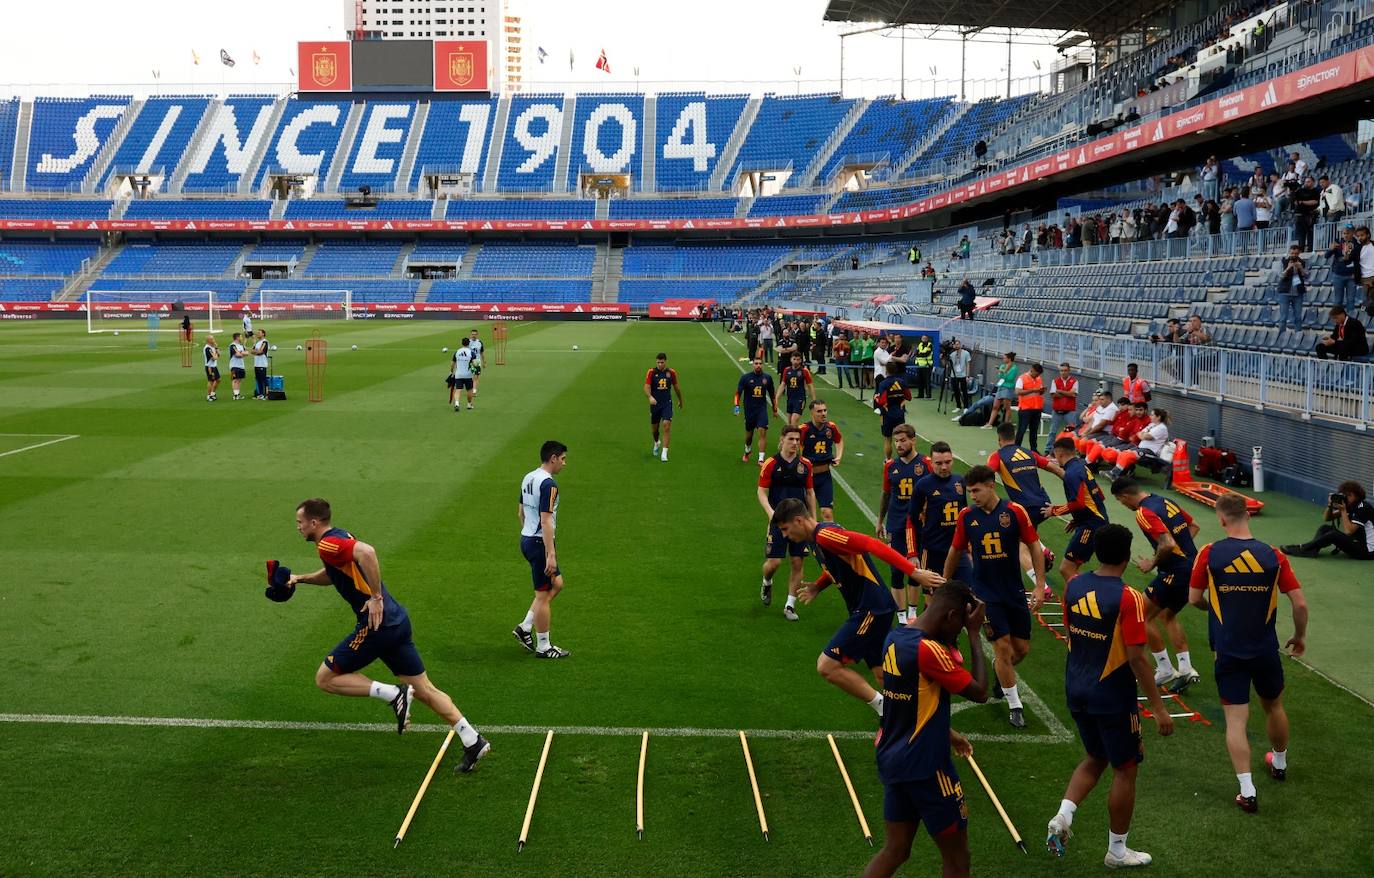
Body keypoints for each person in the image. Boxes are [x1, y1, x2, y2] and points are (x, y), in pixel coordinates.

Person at [282, 498, 490, 771]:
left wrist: (376, 596)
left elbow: (367, 552)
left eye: (300, 523)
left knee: (325, 678)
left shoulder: (327, 543)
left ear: (314, 522)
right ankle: (473, 740)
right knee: (425, 689)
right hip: (396, 622)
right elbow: (335, 573)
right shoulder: (338, 538)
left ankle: (393, 694)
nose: (297, 528)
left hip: (376, 625)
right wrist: (300, 578)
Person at [1045, 524, 1174, 869]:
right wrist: (1159, 708)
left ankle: (1063, 816)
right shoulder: (1128, 596)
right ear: (1128, 556)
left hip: (1076, 686)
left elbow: (1071, 634)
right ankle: (1117, 851)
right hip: (1111, 695)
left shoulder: (1073, 585)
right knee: (1125, 769)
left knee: (1095, 757)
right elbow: (1136, 657)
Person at [861, 581, 989, 878]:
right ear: (951, 615)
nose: (958, 630)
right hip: (928, 768)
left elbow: (907, 703)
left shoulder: (895, 636)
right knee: (958, 859)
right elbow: (980, 691)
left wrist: (948, 732)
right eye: (960, 624)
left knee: (896, 850)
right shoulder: (929, 650)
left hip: (894, 759)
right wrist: (974, 633)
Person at [1189, 493, 1307, 812]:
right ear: (1249, 516)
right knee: (1274, 706)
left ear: (1221, 519)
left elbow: (1193, 597)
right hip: (1265, 649)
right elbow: (1300, 603)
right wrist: (1299, 635)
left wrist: (1215, 606)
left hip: (1228, 650)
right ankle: (1279, 764)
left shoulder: (1210, 553)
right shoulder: (1273, 555)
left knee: (1236, 720)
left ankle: (1248, 790)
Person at [776, 499, 943, 716]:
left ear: (798, 520)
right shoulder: (814, 540)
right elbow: (840, 564)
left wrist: (914, 572)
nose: (785, 536)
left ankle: (884, 707)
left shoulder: (825, 535)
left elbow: (870, 544)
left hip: (870, 610)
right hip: (872, 608)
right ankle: (920, 708)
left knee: (827, 666)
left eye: (785, 529)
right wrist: (818, 585)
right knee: (884, 674)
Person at [946, 464, 1049, 729]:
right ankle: (1015, 705)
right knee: (1002, 648)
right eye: (970, 491)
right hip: (985, 595)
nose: (972, 496)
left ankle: (1000, 671)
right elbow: (955, 551)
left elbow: (1034, 547)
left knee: (1021, 650)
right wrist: (946, 584)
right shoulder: (967, 516)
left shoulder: (1014, 512)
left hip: (1013, 592)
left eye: (976, 490)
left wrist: (1039, 584)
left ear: (991, 485)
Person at [1110, 479, 1202, 690]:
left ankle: (1164, 669)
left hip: (1175, 572)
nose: (1123, 505)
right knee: (1166, 615)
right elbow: (1193, 526)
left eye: (1120, 501)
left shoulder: (1143, 513)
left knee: (1140, 615)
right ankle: (1186, 669)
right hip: (1191, 568)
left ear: (1124, 496)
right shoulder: (1164, 501)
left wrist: (1152, 562)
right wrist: (1180, 554)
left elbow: (1167, 544)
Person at [514, 441, 572, 659]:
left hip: (527, 539)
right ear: (553, 458)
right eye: (563, 459)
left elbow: (520, 512)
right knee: (542, 595)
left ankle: (525, 626)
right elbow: (546, 521)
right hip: (539, 543)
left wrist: (529, 534)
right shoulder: (549, 484)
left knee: (557, 584)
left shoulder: (528, 477)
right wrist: (550, 554)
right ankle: (543, 646)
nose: (564, 464)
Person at [989, 421, 1064, 589]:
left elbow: (986, 475)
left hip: (1025, 509)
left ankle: (1043, 588)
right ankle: (1043, 551)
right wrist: (1071, 480)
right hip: (1044, 505)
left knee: (1018, 546)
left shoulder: (998, 456)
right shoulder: (1028, 453)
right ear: (1014, 437)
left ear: (999, 439)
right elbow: (1053, 468)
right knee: (1025, 537)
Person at [757, 425, 816, 621]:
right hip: (779, 521)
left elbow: (810, 493)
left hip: (800, 523)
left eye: (798, 440)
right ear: (782, 440)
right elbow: (761, 492)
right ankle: (767, 581)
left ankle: (790, 605)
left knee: (797, 561)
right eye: (791, 439)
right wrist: (771, 514)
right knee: (773, 563)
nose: (795, 444)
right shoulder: (771, 464)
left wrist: (813, 520)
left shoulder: (805, 465)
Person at [878, 425, 932, 624]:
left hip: (920, 525)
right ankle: (901, 617)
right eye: (896, 441)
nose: (898, 444)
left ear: (913, 440)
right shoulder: (890, 466)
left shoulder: (926, 464)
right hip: (896, 524)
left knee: (916, 571)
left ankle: (912, 613)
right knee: (896, 571)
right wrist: (880, 520)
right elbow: (886, 494)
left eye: (902, 440)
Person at [1045, 436, 1112, 584]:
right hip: (1095, 521)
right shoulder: (1082, 467)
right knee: (1073, 566)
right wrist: (1078, 519)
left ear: (1059, 454)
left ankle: (1083, 598)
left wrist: (1054, 511)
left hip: (1091, 526)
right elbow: (1098, 496)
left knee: (1066, 568)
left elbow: (1078, 503)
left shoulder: (1071, 474)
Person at [912, 441, 973, 587]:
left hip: (958, 551)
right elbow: (912, 518)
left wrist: (969, 546)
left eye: (947, 462)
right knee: (935, 599)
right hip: (933, 551)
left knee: (970, 592)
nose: (944, 467)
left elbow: (964, 513)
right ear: (931, 462)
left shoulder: (959, 481)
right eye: (939, 463)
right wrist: (914, 551)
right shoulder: (923, 485)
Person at [1282, 481, 1374, 560]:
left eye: (1350, 495)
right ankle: (1312, 550)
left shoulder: (1364, 508)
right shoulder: (1350, 506)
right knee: (1325, 528)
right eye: (1345, 495)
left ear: (1358, 496)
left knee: (1334, 535)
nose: (1347, 498)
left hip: (1367, 551)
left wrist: (1343, 510)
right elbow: (1327, 518)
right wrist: (1330, 505)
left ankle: (1304, 548)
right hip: (1357, 544)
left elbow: (1348, 531)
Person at [799, 399, 843, 522]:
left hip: (825, 476)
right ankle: (807, 540)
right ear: (812, 413)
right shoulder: (804, 429)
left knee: (827, 512)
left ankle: (828, 540)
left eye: (825, 410)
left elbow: (839, 440)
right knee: (806, 514)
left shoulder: (831, 427)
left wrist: (839, 456)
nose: (823, 413)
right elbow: (795, 445)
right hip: (808, 477)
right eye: (819, 411)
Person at [735, 357, 778, 465]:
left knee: (762, 432)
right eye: (756, 363)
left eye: (760, 363)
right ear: (753, 364)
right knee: (749, 436)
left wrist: (774, 409)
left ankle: (761, 459)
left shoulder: (767, 378)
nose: (758, 365)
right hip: (749, 411)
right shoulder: (745, 378)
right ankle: (747, 450)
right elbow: (738, 394)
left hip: (761, 410)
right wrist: (736, 407)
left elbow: (772, 395)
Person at [644, 352, 683, 462]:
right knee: (655, 430)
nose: (660, 364)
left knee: (666, 426)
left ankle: (664, 452)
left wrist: (680, 400)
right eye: (658, 362)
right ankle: (656, 442)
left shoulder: (671, 373)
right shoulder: (651, 372)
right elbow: (646, 387)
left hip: (667, 403)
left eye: (662, 362)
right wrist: (650, 397)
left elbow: (677, 388)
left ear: (665, 362)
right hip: (655, 405)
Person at [875, 360, 912, 461]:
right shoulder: (902, 382)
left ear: (886, 370)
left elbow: (882, 401)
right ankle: (905, 459)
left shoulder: (883, 383)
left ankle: (888, 460)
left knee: (887, 439)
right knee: (902, 438)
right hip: (900, 414)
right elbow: (909, 397)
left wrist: (876, 398)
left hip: (887, 415)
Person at [1045, 363, 1079, 454]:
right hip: (1056, 411)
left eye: (1065, 370)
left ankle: (1074, 450)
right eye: (1061, 370)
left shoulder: (1074, 381)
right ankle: (1048, 450)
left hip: (1070, 411)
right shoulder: (1055, 381)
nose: (1063, 372)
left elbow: (1073, 394)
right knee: (1052, 431)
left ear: (1069, 371)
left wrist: (1060, 391)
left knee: (1072, 432)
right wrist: (1068, 393)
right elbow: (1053, 395)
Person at [1325, 226, 1360, 315]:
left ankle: (1350, 323)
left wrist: (1356, 273)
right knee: (1338, 300)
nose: (1345, 235)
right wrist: (1330, 249)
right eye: (1344, 233)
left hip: (1351, 276)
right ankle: (1338, 323)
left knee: (1351, 300)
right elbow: (1326, 256)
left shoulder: (1357, 245)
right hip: (1338, 275)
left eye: (1348, 233)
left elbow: (1359, 261)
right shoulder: (1337, 244)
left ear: (1352, 233)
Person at [1275, 244, 1307, 334]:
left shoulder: (1302, 262)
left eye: (1296, 253)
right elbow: (1280, 276)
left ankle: (1298, 335)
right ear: (1289, 252)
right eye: (1292, 253)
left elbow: (1307, 275)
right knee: (1283, 317)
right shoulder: (1283, 261)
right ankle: (1281, 335)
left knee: (1298, 317)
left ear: (1299, 253)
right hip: (1285, 292)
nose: (1294, 255)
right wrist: (1288, 267)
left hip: (1298, 293)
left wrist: (1300, 268)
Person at [776, 352, 814, 426]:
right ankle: (795, 436)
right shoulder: (787, 370)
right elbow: (783, 385)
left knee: (794, 420)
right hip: (790, 398)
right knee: (789, 423)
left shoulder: (804, 371)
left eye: (798, 359)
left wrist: (814, 400)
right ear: (791, 360)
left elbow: (810, 386)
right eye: (794, 359)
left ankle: (797, 437)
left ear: (800, 360)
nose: (796, 361)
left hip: (800, 399)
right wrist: (776, 398)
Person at [1013, 362, 1045, 450]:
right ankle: (1016, 448)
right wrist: (1033, 390)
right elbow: (1018, 392)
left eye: (1039, 374)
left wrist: (1041, 391)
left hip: (1036, 408)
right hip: (1025, 409)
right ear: (1032, 370)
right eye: (1036, 374)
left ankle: (1034, 449)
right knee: (1022, 430)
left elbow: (1038, 391)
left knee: (1034, 431)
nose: (1037, 376)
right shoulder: (1022, 378)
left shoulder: (1038, 379)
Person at [982, 352, 1018, 429]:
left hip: (1008, 388)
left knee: (1007, 408)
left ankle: (1006, 425)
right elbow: (1000, 376)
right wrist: (1003, 372)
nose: (1003, 359)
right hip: (1000, 388)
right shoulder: (1002, 366)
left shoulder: (1014, 368)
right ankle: (989, 424)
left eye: (1005, 358)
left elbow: (1010, 378)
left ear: (1009, 359)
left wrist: (1003, 372)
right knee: (995, 406)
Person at [451, 336, 477, 412]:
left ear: (461, 343)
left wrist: (451, 371)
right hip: (468, 375)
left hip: (458, 375)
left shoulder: (457, 352)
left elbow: (452, 364)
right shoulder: (471, 352)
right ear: (468, 344)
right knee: (469, 390)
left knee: (458, 390)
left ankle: (457, 403)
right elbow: (475, 364)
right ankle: (469, 404)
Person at [947, 339, 972, 414]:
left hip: (963, 375)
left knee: (964, 391)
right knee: (956, 391)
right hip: (954, 375)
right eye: (955, 344)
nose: (957, 346)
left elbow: (968, 364)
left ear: (960, 345)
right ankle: (958, 406)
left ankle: (966, 407)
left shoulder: (966, 353)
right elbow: (948, 365)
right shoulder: (952, 354)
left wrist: (967, 375)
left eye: (958, 344)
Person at [913, 334, 934, 399]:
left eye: (925, 338)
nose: (924, 339)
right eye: (923, 338)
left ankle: (928, 395)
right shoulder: (920, 344)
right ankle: (920, 395)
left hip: (927, 365)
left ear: (927, 339)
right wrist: (919, 354)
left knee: (927, 381)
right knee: (919, 380)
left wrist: (919, 354)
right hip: (919, 365)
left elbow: (926, 354)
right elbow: (916, 353)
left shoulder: (929, 345)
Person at [227, 331, 247, 401]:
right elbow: (237, 355)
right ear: (237, 337)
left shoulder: (241, 346)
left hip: (241, 365)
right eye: (241, 336)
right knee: (235, 380)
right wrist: (242, 353)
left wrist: (241, 353)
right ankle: (235, 395)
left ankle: (238, 394)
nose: (242, 338)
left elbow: (246, 352)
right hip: (234, 365)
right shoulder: (232, 346)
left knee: (239, 380)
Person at [251, 329, 270, 400]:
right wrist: (256, 351)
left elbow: (261, 351)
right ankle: (261, 394)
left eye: (259, 333)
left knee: (263, 379)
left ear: (263, 334)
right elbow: (252, 351)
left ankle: (267, 394)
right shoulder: (257, 343)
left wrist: (256, 352)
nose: (257, 334)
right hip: (256, 364)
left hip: (262, 363)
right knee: (258, 379)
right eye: (257, 332)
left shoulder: (265, 342)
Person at [202, 334, 220, 402]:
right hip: (210, 367)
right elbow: (214, 358)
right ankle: (209, 395)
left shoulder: (212, 347)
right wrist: (216, 354)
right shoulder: (207, 348)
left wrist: (216, 348)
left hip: (214, 366)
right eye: (212, 339)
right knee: (211, 381)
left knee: (218, 379)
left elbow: (219, 354)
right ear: (208, 340)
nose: (214, 340)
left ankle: (212, 393)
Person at [467, 329, 485, 395]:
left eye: (475, 334)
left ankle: (473, 390)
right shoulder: (468, 342)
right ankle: (472, 390)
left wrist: (484, 362)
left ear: (477, 335)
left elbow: (482, 352)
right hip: (469, 361)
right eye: (472, 334)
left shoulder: (479, 342)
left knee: (476, 376)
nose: (473, 335)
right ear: (470, 335)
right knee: (471, 376)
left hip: (477, 361)